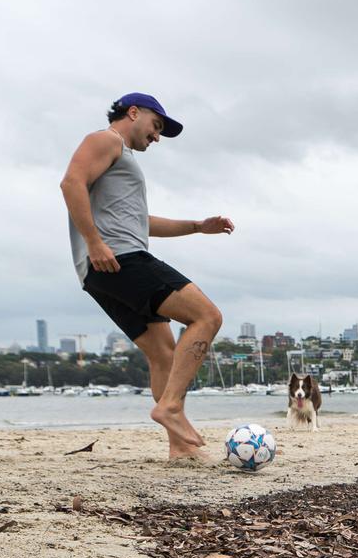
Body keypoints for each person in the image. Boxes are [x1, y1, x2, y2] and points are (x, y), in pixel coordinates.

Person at [60, 93, 234, 459]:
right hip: (120, 259)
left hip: (100, 273)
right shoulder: (107, 140)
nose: (156, 137)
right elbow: (71, 182)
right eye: (156, 126)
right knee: (207, 316)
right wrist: (94, 241)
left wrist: (197, 226)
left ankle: (180, 449)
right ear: (133, 112)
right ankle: (169, 407)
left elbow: (141, 222)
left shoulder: (121, 160)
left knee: (164, 355)